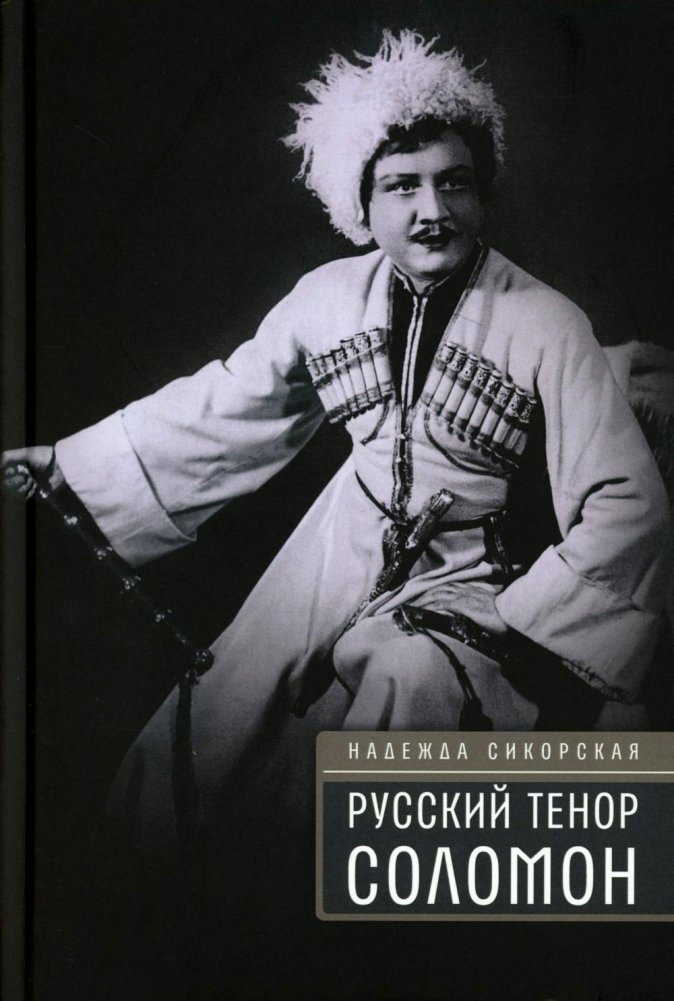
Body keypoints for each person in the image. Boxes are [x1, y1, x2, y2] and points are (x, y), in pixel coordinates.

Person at [3, 30, 671, 858]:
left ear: (481, 190)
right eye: (403, 186)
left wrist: (534, 623)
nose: (433, 210)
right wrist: (68, 465)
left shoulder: (548, 322)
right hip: (332, 550)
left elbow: (625, 498)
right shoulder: (325, 298)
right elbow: (229, 406)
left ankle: (357, 910)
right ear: (362, 203)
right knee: (222, 714)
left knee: (401, 680)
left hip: (468, 577)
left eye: (454, 182)